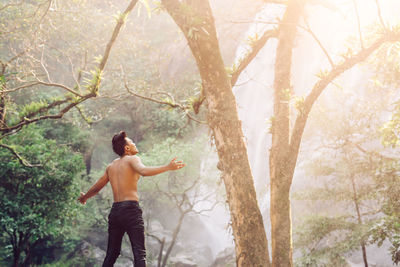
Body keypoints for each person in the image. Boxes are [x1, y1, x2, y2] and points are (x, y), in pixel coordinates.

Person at [78, 131, 185, 267]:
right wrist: (167, 167)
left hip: (115, 212)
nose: (134, 143)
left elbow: (97, 187)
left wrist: (84, 197)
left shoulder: (110, 167)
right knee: (139, 253)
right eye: (131, 142)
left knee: (112, 253)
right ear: (127, 148)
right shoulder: (132, 159)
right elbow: (144, 171)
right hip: (130, 210)